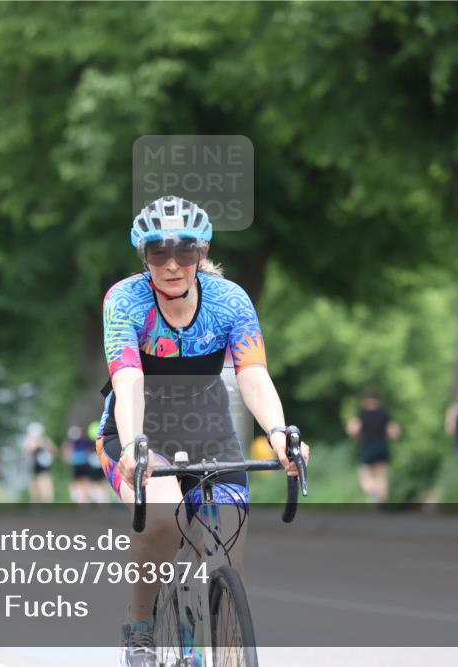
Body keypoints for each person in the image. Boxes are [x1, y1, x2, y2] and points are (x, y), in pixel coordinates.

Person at [94, 195, 310, 666]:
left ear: (202, 251)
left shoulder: (229, 300)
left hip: (207, 430)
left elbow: (252, 373)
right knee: (164, 515)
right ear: (143, 257)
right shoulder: (125, 300)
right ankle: (140, 628)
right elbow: (128, 379)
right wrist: (133, 446)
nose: (172, 265)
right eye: (158, 254)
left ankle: (221, 650)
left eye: (185, 253)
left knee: (227, 553)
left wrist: (277, 434)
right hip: (136, 429)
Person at [346, 389, 400, 503]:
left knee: (365, 476)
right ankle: (382, 503)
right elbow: (395, 431)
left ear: (366, 401)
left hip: (368, 447)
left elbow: (352, 429)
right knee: (382, 476)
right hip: (382, 447)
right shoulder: (384, 414)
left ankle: (372, 491)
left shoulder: (363, 414)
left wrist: (358, 437)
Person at [23, 422, 56, 503]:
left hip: (43, 467)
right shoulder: (28, 441)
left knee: (45, 484)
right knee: (34, 487)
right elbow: (26, 452)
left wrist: (44, 445)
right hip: (32, 466)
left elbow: (53, 451)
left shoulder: (45, 440)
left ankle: (47, 502)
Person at [63, 425, 95, 503]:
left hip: (80, 464)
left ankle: (83, 499)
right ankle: (84, 499)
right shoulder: (84, 441)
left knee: (80, 481)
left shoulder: (72, 442)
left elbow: (67, 454)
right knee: (83, 481)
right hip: (81, 464)